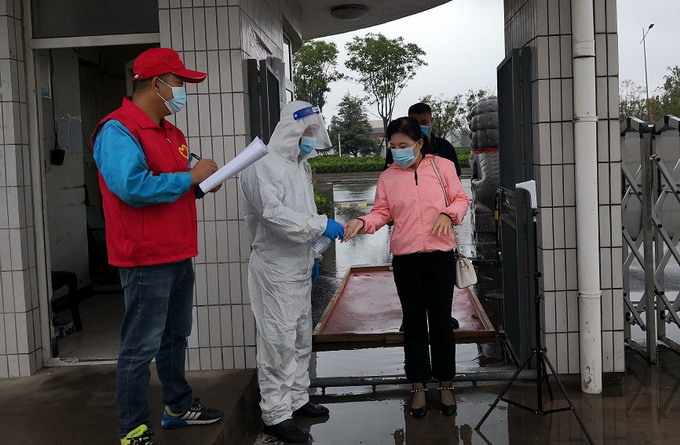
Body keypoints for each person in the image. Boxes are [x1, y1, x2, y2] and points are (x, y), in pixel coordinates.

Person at [92, 48, 223, 445]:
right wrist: (189, 179)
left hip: (178, 251)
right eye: (180, 82)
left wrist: (202, 183)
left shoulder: (171, 133)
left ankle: (177, 406)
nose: (183, 90)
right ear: (157, 83)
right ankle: (132, 427)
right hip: (145, 256)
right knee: (140, 346)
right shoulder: (118, 130)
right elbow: (131, 187)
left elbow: (179, 183)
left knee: (175, 335)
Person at [344, 117, 470, 419]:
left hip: (440, 257)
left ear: (419, 143)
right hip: (406, 261)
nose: (398, 151)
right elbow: (382, 212)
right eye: (393, 146)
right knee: (413, 325)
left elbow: (461, 198)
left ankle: (446, 383)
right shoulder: (388, 177)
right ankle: (417, 387)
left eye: (403, 145)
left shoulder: (442, 167)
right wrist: (362, 221)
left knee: (441, 324)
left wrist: (448, 213)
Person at [240, 101, 345, 443]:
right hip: (275, 268)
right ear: (291, 129)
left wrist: (313, 255)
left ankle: (297, 399)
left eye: (314, 132)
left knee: (300, 338)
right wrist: (321, 225)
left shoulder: (300, 165)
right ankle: (275, 414)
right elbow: (274, 216)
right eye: (307, 132)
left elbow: (303, 211)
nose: (311, 138)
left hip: (298, 264)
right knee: (278, 342)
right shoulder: (262, 164)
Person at [384, 102, 462, 177]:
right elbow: (388, 175)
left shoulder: (445, 146)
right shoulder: (397, 149)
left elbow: (456, 177)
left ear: (432, 121)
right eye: (415, 123)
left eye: (424, 123)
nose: (419, 126)